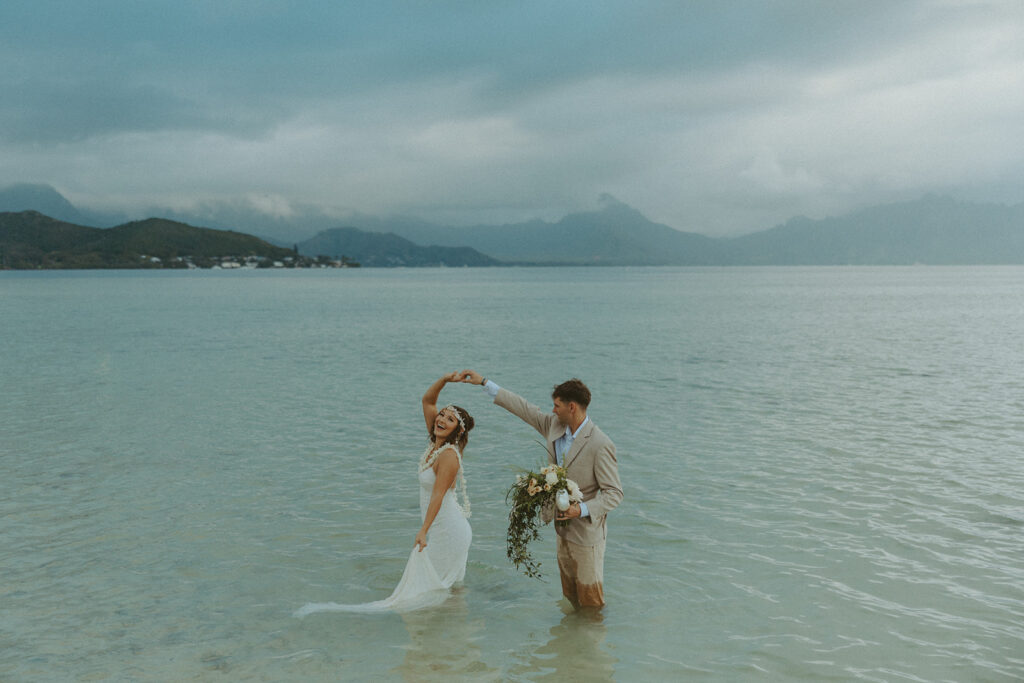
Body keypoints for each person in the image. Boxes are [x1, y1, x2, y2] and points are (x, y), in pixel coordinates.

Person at [295, 372, 473, 616]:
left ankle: (451, 630)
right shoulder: (436, 442)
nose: (441, 419)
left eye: (450, 420)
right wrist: (445, 380)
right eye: (442, 414)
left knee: (434, 589)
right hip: (439, 526)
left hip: (449, 529)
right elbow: (427, 401)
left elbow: (438, 496)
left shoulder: (449, 455)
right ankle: (455, 625)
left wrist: (423, 530)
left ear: (457, 431)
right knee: (440, 589)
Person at [459, 370, 622, 609]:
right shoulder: (554, 426)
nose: (553, 410)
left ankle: (593, 641)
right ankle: (572, 643)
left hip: (587, 535)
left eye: (557, 405)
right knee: (570, 596)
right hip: (561, 529)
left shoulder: (600, 443)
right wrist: (484, 382)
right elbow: (524, 408)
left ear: (572, 407)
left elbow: (614, 493)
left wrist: (582, 509)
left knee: (591, 600)